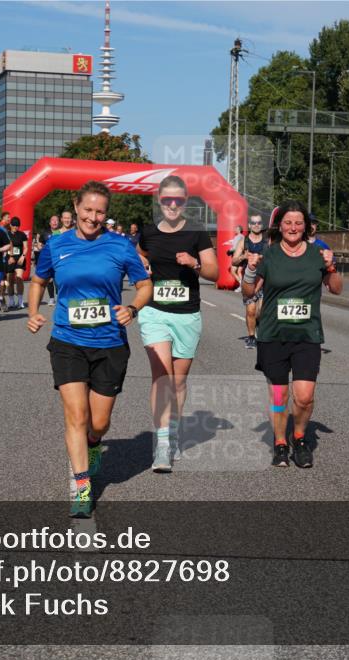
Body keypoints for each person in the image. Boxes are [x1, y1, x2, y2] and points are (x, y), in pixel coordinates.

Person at [27, 180, 152, 517]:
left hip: (110, 344)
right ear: (76, 207)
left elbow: (144, 285)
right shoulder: (56, 246)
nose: (93, 217)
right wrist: (34, 311)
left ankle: (95, 444)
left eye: (100, 212)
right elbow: (39, 281)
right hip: (68, 341)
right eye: (88, 210)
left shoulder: (121, 246)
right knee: (76, 416)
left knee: (99, 422)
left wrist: (133, 308)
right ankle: (82, 486)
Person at [242, 200, 342, 469]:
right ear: (280, 226)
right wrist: (251, 270)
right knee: (279, 396)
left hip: (307, 334)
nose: (293, 227)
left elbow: (336, 288)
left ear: (306, 227)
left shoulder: (317, 254)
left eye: (299, 222)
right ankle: (280, 442)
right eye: (288, 222)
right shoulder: (270, 255)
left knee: (304, 396)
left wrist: (332, 267)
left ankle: (299, 437)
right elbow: (249, 292)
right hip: (273, 335)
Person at [137, 175, 219, 472]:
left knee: (178, 382)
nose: (172, 205)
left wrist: (194, 263)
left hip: (187, 313)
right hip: (154, 311)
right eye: (167, 199)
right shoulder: (148, 232)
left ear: (185, 202)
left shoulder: (196, 233)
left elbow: (214, 271)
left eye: (179, 200)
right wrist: (141, 265)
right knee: (161, 375)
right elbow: (139, 253)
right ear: (160, 200)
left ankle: (174, 432)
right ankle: (161, 446)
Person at [231, 213, 269, 349]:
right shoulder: (244, 241)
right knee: (251, 310)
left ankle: (259, 325)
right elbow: (233, 261)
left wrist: (264, 258)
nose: (256, 225)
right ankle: (251, 336)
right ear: (249, 225)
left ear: (262, 225)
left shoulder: (267, 241)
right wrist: (243, 256)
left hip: (265, 279)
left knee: (261, 312)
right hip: (249, 280)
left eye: (259, 223)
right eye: (253, 223)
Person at [6, 217, 29, 309]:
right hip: (9, 259)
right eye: (14, 225)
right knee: (9, 280)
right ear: (10, 225)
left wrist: (23, 256)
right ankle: (11, 300)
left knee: (19, 278)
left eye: (17, 225)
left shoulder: (22, 234)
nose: (15, 227)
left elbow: (26, 247)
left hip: (19, 259)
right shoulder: (6, 234)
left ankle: (20, 301)